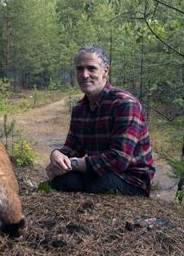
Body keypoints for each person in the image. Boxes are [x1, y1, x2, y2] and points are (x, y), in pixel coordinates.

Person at [46, 46, 155, 197]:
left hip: (131, 180)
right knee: (61, 180)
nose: (85, 75)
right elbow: (72, 147)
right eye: (80, 69)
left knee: (99, 185)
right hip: (99, 174)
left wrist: (73, 163)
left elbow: (119, 160)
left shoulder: (125, 104)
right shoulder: (79, 109)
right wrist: (57, 155)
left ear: (105, 71)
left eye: (91, 68)